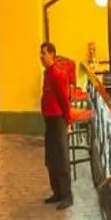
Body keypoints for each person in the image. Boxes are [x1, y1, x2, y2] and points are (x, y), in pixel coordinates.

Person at [40, 41, 76, 208]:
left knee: (61, 158)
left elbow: (64, 99)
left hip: (58, 120)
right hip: (49, 120)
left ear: (52, 55)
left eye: (44, 53)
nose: (41, 57)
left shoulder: (56, 74)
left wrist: (68, 121)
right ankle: (57, 192)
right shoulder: (47, 73)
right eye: (40, 54)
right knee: (51, 158)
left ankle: (67, 195)